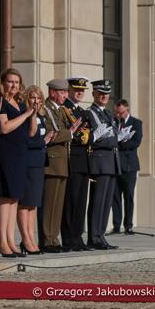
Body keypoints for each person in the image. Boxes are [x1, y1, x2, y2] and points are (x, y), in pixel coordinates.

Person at [0, 68, 36, 258]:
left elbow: (31, 132)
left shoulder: (19, 103)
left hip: (20, 155)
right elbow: (5, 127)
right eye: (10, 81)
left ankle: (11, 240)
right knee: (5, 196)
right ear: (3, 82)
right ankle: (2, 242)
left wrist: (32, 113)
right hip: (5, 154)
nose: (14, 85)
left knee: (14, 198)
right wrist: (25, 115)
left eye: (17, 82)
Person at [39, 79, 80, 253]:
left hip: (62, 163)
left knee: (57, 206)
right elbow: (51, 133)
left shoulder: (61, 110)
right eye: (62, 92)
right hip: (52, 161)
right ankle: (47, 240)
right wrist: (70, 133)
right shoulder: (46, 109)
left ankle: (54, 239)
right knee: (49, 205)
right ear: (52, 92)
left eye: (65, 92)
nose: (65, 95)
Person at [18, 85, 54, 255]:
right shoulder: (25, 116)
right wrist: (44, 141)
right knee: (25, 204)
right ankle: (25, 238)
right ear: (27, 99)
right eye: (33, 98)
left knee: (33, 204)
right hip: (28, 164)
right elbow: (28, 140)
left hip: (38, 163)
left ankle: (31, 238)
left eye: (39, 98)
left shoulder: (40, 116)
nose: (36, 101)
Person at [86, 79, 120, 250]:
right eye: (100, 93)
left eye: (106, 93)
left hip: (111, 162)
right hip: (100, 162)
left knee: (106, 202)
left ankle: (100, 235)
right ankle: (93, 237)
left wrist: (113, 139)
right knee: (98, 201)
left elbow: (113, 136)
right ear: (94, 94)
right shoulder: (90, 113)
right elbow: (93, 139)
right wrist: (111, 139)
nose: (104, 96)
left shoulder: (107, 114)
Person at [61, 76, 93, 252]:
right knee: (70, 201)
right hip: (72, 160)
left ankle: (78, 237)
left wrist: (85, 136)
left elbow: (91, 134)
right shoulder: (65, 109)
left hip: (84, 161)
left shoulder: (83, 112)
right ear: (69, 91)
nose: (80, 93)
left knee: (81, 202)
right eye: (76, 90)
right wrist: (82, 136)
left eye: (82, 90)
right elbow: (70, 134)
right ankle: (68, 238)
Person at [110, 99, 142, 235]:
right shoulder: (113, 122)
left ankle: (128, 225)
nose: (118, 116)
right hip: (114, 165)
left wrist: (120, 143)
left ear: (127, 110)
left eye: (121, 113)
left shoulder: (136, 123)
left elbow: (136, 142)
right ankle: (116, 226)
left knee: (128, 196)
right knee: (115, 196)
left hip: (129, 165)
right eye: (116, 113)